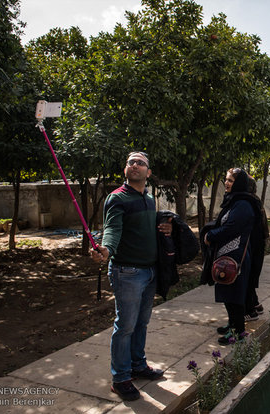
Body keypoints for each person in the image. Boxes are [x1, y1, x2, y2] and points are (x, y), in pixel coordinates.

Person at [91, 151, 172, 401]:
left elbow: (149, 228)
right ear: (125, 170)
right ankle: (121, 378)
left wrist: (166, 227)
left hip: (149, 271)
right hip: (127, 272)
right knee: (125, 326)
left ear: (148, 173)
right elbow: (113, 229)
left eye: (141, 163)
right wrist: (107, 249)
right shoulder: (117, 198)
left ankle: (138, 365)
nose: (135, 165)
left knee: (141, 323)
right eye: (131, 162)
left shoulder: (148, 198)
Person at [202, 168, 264, 344]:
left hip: (237, 257)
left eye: (231, 180)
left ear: (239, 183)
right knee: (227, 292)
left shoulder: (243, 204)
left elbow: (231, 228)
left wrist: (211, 236)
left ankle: (238, 331)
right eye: (226, 180)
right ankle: (232, 324)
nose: (227, 183)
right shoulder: (235, 201)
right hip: (227, 255)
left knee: (235, 294)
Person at [244, 175, 269, 321]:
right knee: (251, 276)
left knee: (248, 276)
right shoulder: (255, 200)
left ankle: (250, 310)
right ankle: (255, 303)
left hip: (252, 244)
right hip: (258, 243)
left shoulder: (248, 202)